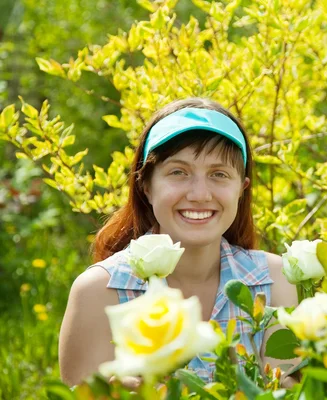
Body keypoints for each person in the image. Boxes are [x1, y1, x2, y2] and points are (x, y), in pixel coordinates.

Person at [58, 98, 298, 388]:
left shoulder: (275, 282)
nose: (199, 194)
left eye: (219, 174)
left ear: (241, 189)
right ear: (145, 185)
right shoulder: (99, 291)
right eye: (178, 172)